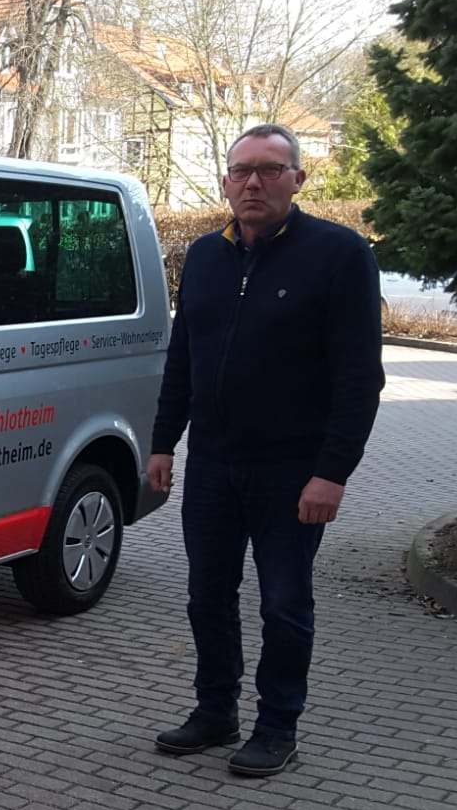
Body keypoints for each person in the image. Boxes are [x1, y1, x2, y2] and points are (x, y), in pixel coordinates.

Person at [148, 124, 384, 777]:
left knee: (283, 602)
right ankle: (215, 710)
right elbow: (183, 360)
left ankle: (278, 726)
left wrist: (331, 473)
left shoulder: (338, 255)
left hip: (293, 470)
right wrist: (163, 442)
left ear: (298, 179)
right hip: (216, 465)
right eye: (241, 170)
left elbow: (360, 378)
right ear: (225, 181)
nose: (253, 182)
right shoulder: (202, 257)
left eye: (270, 170)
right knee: (207, 595)